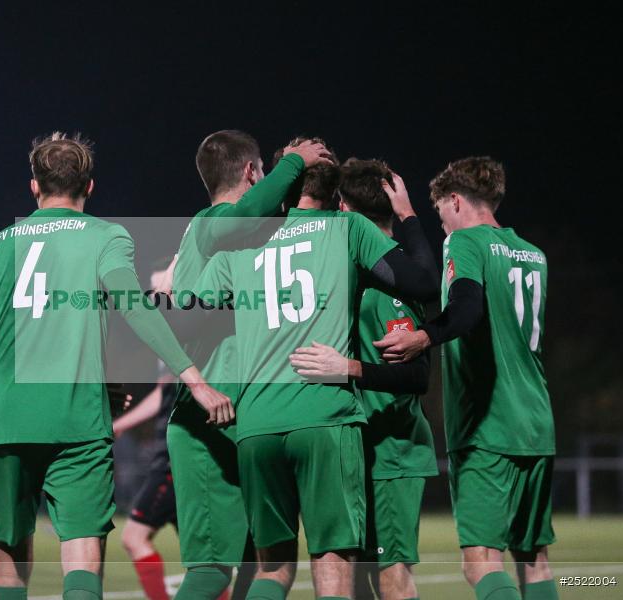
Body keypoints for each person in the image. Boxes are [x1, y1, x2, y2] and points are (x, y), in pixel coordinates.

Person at [0, 132, 232, 600]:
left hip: (1, 420)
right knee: (83, 561)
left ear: (34, 187)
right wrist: (196, 379)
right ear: (90, 186)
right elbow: (136, 308)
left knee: (7, 569)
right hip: (75, 421)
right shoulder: (106, 236)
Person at [194, 150, 438, 600]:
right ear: (336, 198)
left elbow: (193, 300)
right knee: (335, 572)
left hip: (257, 423)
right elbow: (424, 282)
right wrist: (406, 215)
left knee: (272, 570)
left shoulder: (243, 243)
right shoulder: (347, 230)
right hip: (325, 415)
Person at [374, 157, 558, 600]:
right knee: (533, 561)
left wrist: (424, 337)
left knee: (480, 564)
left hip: (488, 427)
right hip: (537, 423)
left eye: (439, 215)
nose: (441, 228)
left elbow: (467, 309)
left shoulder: (464, 242)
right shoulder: (533, 254)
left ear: (454, 201)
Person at [168, 131, 333, 600]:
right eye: (267, 171)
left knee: (265, 565)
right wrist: (294, 164)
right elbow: (243, 215)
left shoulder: (244, 240)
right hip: (207, 415)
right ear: (251, 173)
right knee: (210, 571)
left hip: (247, 416)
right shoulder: (214, 221)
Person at [289, 160, 438, 600]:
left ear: (343, 208)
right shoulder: (358, 275)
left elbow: (416, 375)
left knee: (390, 577)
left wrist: (349, 368)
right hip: (360, 449)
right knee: (362, 577)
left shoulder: (383, 289)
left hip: (391, 452)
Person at [114, 264, 180, 600]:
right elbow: (161, 395)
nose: (151, 298)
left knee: (133, 537)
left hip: (173, 458)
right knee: (206, 562)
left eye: (158, 291)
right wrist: (121, 424)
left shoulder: (184, 336)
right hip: (173, 453)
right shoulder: (168, 338)